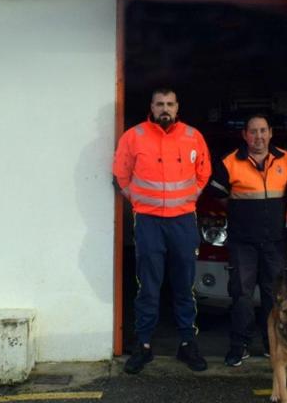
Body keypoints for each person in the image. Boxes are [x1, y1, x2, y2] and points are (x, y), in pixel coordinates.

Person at [113, 88, 211, 374]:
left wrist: (190, 196)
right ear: (151, 107)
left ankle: (187, 344)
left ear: (177, 106)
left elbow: (204, 172)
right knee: (148, 286)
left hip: (182, 221)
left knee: (184, 286)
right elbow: (121, 173)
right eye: (159, 104)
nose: (164, 109)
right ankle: (143, 345)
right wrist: (139, 200)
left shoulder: (193, 136)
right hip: (148, 222)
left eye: (169, 104)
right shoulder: (134, 136)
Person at [207, 114, 287, 367]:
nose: (259, 137)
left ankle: (272, 345)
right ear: (245, 135)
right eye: (253, 132)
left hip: (275, 241)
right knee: (241, 294)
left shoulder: (286, 159)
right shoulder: (229, 161)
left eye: (263, 131)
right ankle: (239, 346)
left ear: (271, 132)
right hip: (242, 241)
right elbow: (218, 196)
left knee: (275, 295)